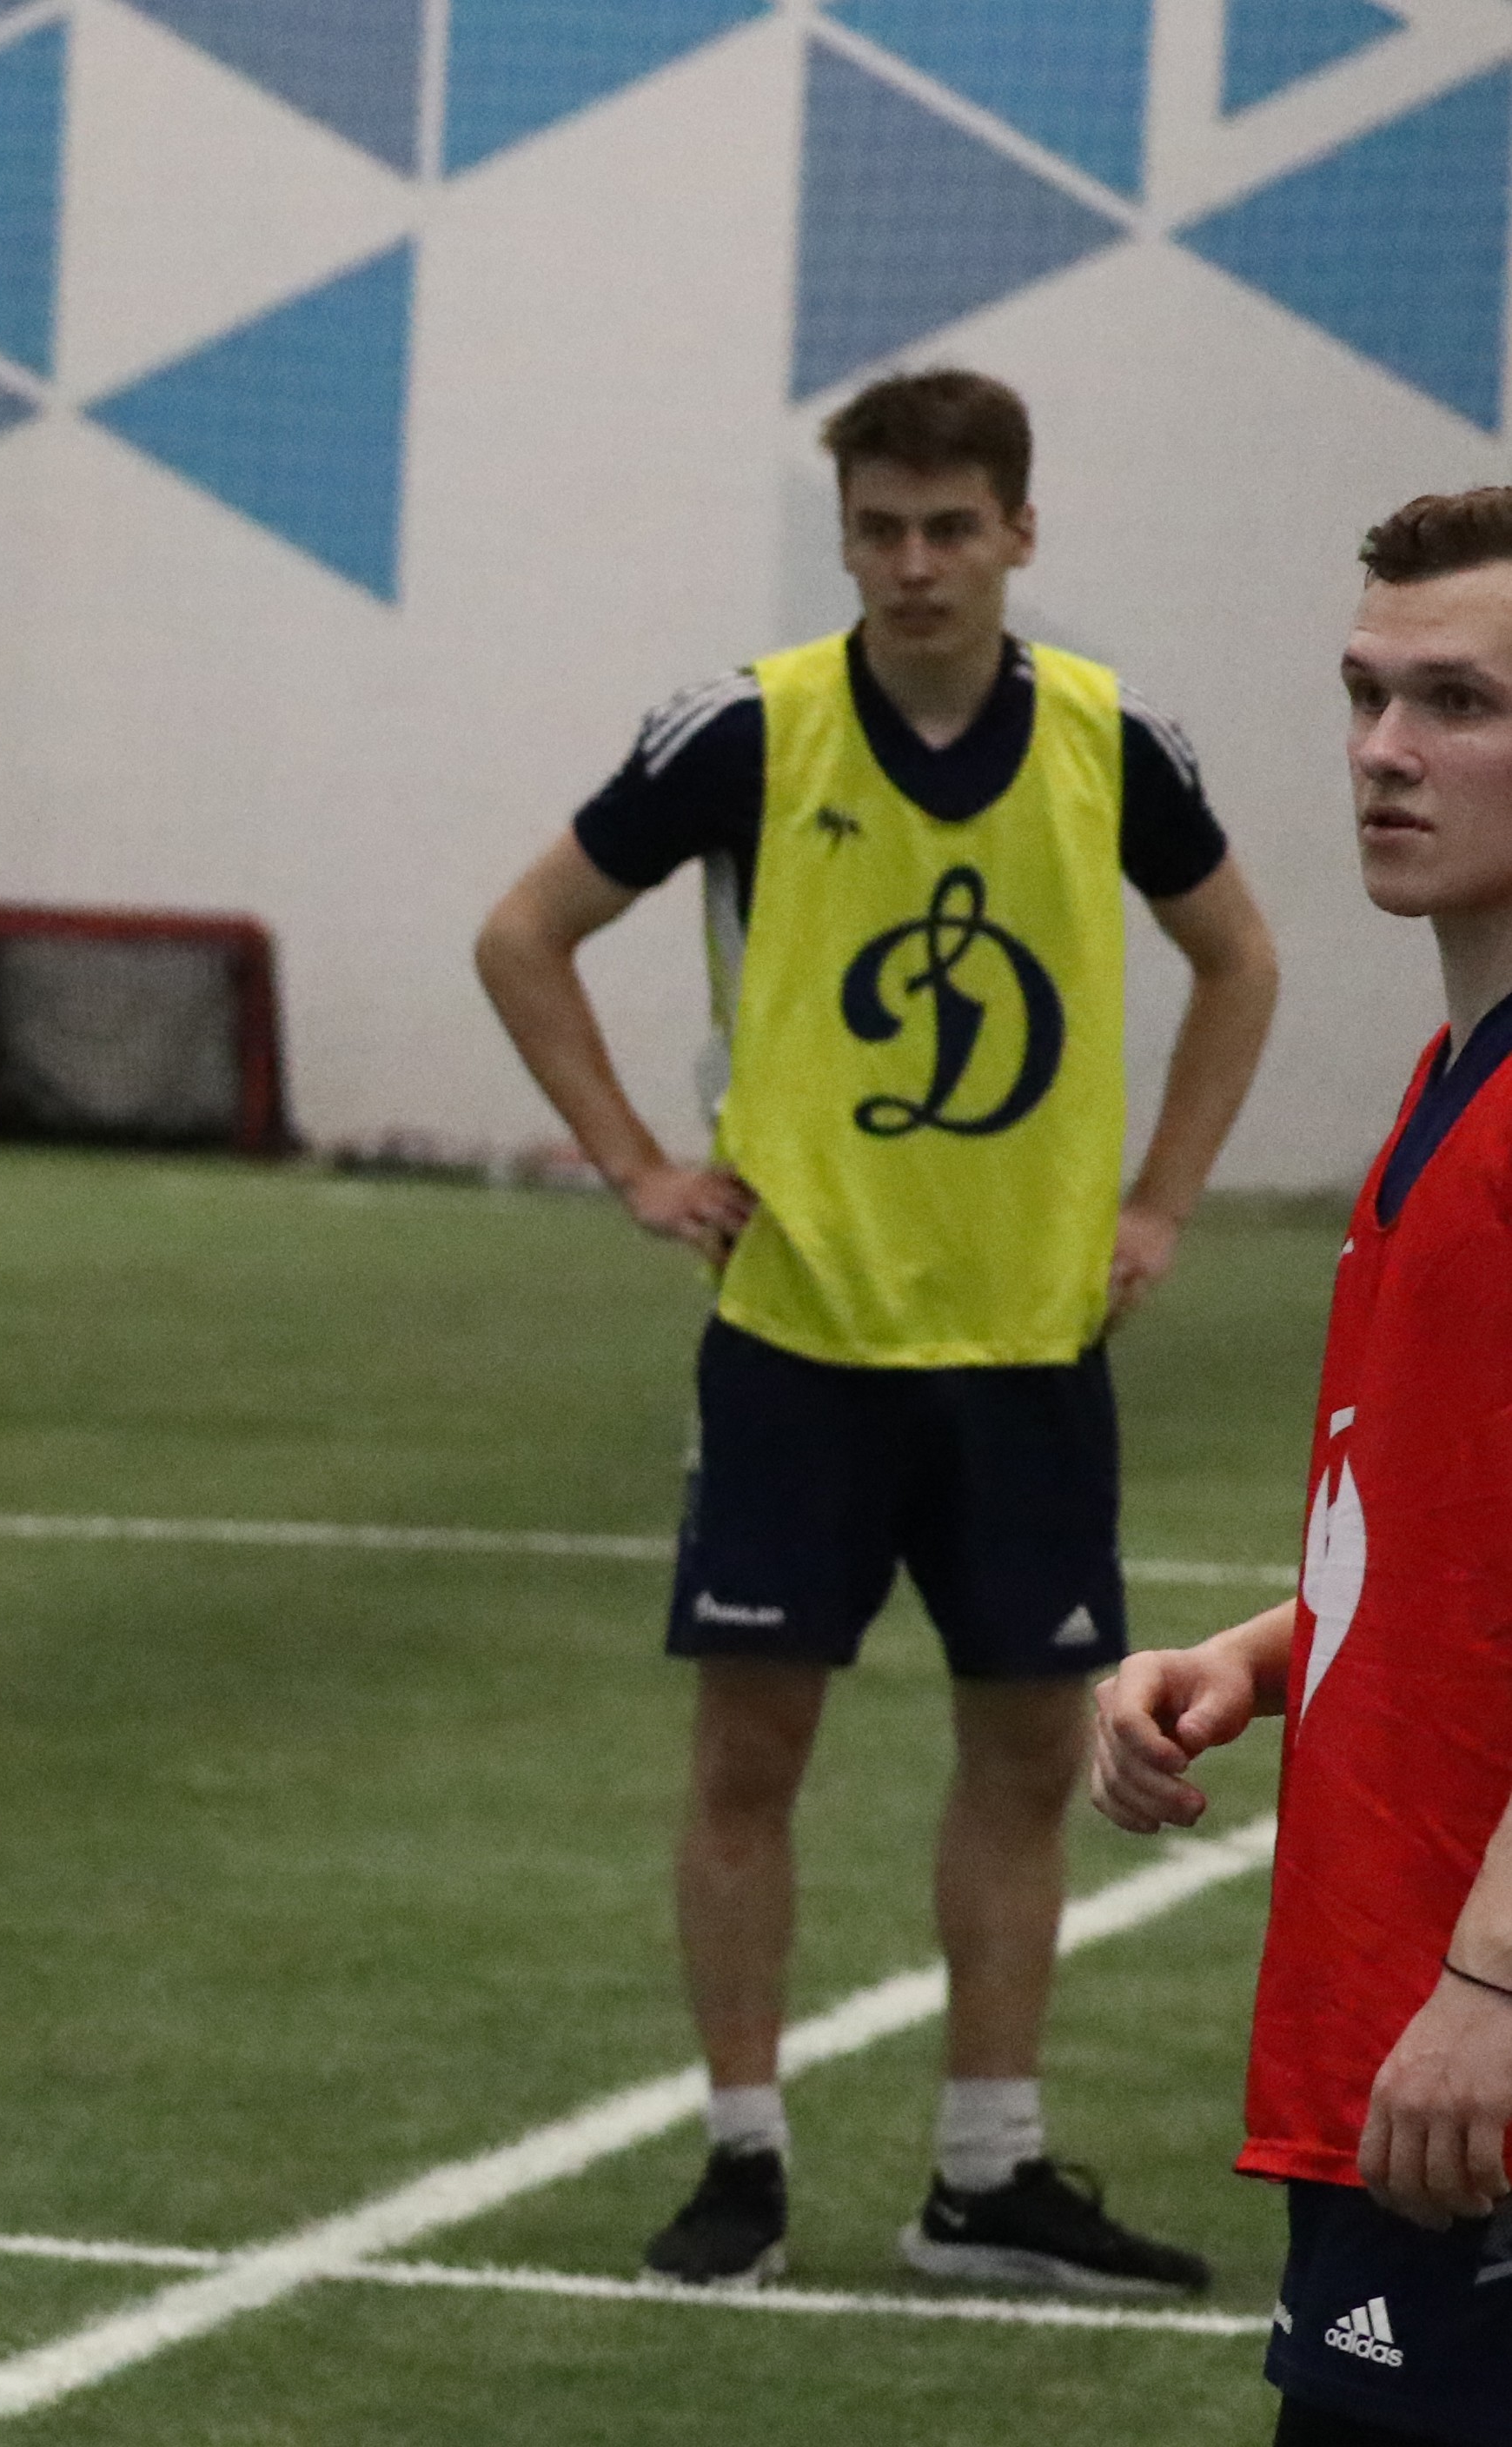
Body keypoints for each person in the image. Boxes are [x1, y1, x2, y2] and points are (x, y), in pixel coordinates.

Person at [948, 485, 1512, 2447]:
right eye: (1370, 693)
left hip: (1465, 2021)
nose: (1388, 753)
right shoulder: (1462, 1067)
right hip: (1418, 1957)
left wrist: (1496, 1977)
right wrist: (1285, 1649)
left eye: (1463, 704)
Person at [474, 366, 1277, 2296]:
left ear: (1018, 531)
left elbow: (1239, 959)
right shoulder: (747, 731)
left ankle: (984, 2175)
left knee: (1024, 1756)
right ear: (844, 539)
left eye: (951, 527)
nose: (915, 564)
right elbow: (522, 934)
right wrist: (638, 1166)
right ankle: (741, 2161)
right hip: (798, 1344)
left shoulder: (1107, 740)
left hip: (1024, 1351)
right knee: (750, 1756)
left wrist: (1159, 1200)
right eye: (881, 530)